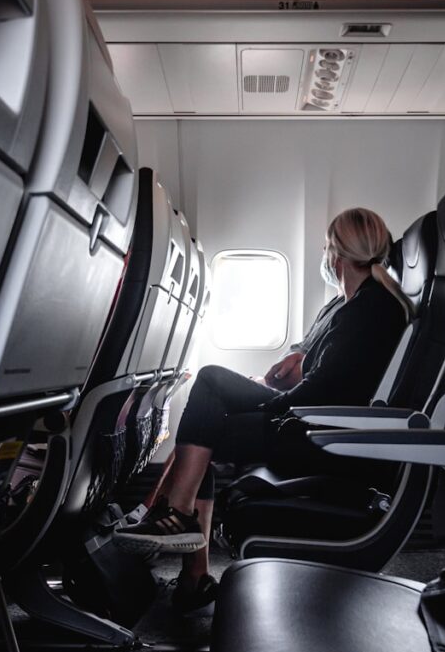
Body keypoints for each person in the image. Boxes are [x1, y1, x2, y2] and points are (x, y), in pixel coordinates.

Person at [113, 208, 412, 613]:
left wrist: (270, 402)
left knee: (209, 388)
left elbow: (329, 390)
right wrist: (284, 370)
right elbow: (320, 365)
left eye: (326, 247)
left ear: (337, 254)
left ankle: (178, 521)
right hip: (306, 418)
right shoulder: (343, 305)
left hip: (320, 434)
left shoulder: (372, 310)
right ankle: (190, 571)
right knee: (207, 414)